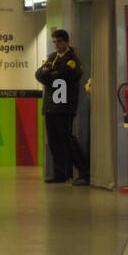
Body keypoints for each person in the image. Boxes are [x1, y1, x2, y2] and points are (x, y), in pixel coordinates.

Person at [35, 29, 85, 185]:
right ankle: (60, 173)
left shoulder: (72, 60)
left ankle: (84, 171)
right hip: (50, 106)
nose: (56, 44)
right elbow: (39, 74)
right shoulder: (52, 58)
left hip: (64, 106)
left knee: (67, 139)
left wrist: (49, 74)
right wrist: (51, 74)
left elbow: (63, 76)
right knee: (53, 141)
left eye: (59, 41)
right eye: (54, 42)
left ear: (66, 42)